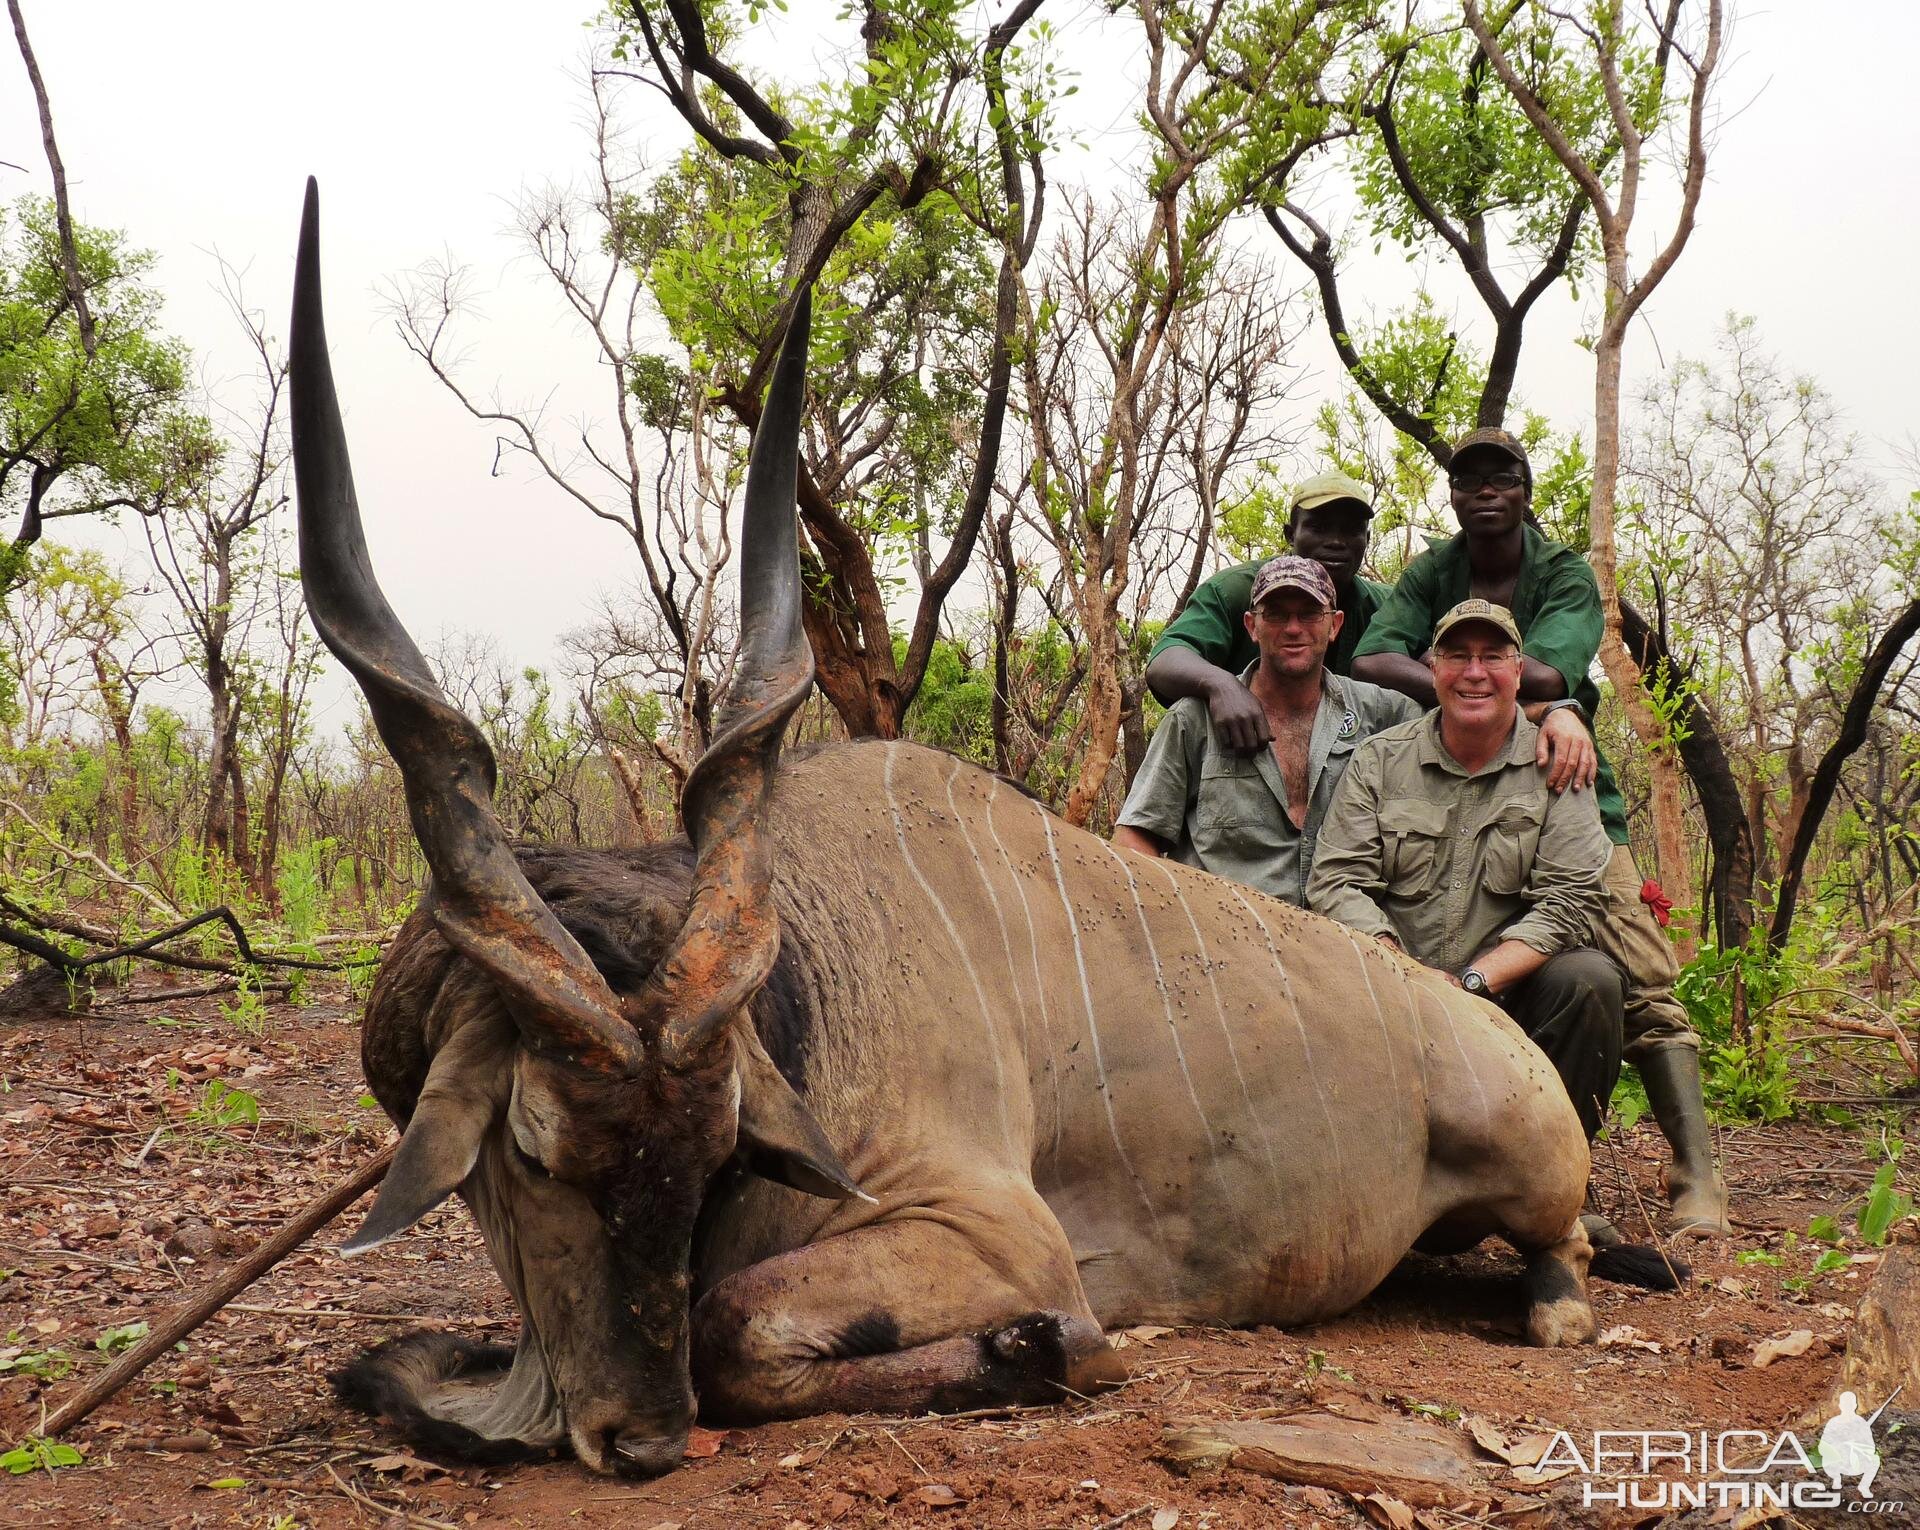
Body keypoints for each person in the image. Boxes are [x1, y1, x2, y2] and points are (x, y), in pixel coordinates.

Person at [1349, 427, 1728, 1235]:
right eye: (1468, 478)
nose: (1485, 490)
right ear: (1452, 493)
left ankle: (1694, 1175)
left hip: (1561, 780)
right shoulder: (1431, 570)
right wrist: (1470, 694)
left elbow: (1556, 671)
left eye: (1502, 477)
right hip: (1449, 782)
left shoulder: (1561, 572)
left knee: (1631, 975)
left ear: (1526, 488)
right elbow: (1371, 657)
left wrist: (1533, 702)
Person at [1308, 601, 1623, 1139]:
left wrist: (1476, 982)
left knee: (1590, 982)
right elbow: (1336, 883)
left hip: (1503, 996)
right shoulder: (1379, 760)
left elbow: (1572, 900)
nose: (1474, 673)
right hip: (1393, 989)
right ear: (1433, 670)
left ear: (1518, 672)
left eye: (1492, 657)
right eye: (1457, 656)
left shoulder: (1559, 760)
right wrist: (1410, 977)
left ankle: (1560, 1173)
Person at [1145, 468, 1599, 789]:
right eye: (1320, 526)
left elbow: (1469, 675)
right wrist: (1223, 686)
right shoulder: (1238, 589)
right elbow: (1165, 662)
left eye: (1352, 529)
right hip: (1241, 772)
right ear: (1290, 533)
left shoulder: (1381, 605)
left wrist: (1558, 710)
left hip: (1351, 792)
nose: (1336, 541)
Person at [1114, 555, 1419, 907]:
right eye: (1275, 614)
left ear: (1334, 625)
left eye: (1309, 613)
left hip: (1345, 944)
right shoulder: (1193, 721)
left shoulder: (1382, 713)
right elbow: (1135, 840)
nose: (1293, 628)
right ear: (1252, 626)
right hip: (1225, 939)